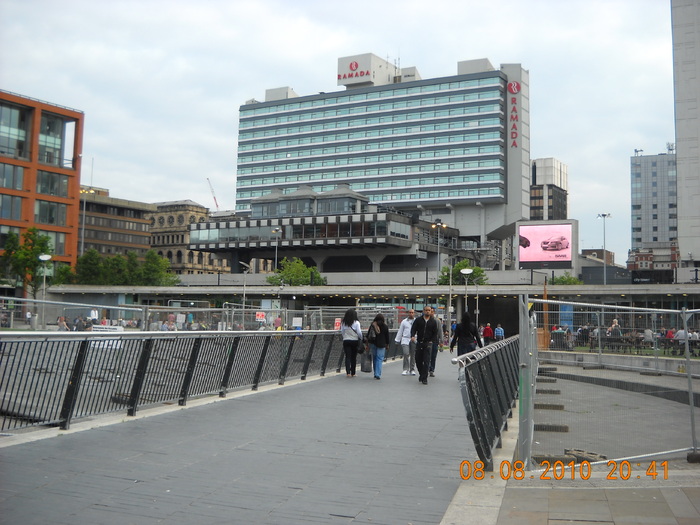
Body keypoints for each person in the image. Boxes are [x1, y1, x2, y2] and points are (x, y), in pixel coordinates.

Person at [410, 305, 439, 385]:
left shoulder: (433, 321)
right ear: (423, 311)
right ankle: (421, 374)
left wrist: (432, 341)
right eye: (426, 310)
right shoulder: (418, 320)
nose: (427, 311)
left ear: (431, 311)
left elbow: (435, 333)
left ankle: (424, 378)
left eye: (429, 310)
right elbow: (413, 329)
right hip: (419, 342)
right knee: (418, 360)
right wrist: (412, 336)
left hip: (428, 343)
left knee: (426, 361)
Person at [340, 309, 363, 378]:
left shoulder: (344, 323)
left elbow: (342, 331)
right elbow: (359, 332)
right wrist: (361, 338)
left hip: (346, 340)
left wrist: (345, 337)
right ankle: (353, 372)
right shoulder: (356, 323)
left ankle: (348, 373)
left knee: (348, 357)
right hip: (354, 341)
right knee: (353, 357)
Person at [394, 308, 416, 375]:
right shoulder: (404, 321)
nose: (411, 314)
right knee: (406, 353)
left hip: (413, 339)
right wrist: (397, 340)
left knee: (413, 355)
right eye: (410, 312)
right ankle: (405, 369)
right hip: (405, 339)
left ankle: (412, 369)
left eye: (412, 312)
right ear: (408, 313)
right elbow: (400, 331)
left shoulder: (416, 321)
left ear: (414, 313)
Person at [368, 313, 390, 380]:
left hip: (373, 343)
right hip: (381, 345)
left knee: (374, 358)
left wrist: (367, 343)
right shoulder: (385, 326)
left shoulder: (373, 325)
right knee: (379, 359)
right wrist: (387, 344)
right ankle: (378, 374)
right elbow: (387, 337)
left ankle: (375, 373)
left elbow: (368, 334)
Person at [429, 307, 440, 377]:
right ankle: (427, 368)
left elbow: (440, 331)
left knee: (433, 356)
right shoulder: (425, 320)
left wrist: (441, 341)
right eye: (430, 311)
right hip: (427, 341)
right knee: (427, 356)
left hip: (435, 341)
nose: (431, 313)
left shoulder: (437, 321)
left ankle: (431, 370)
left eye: (432, 312)